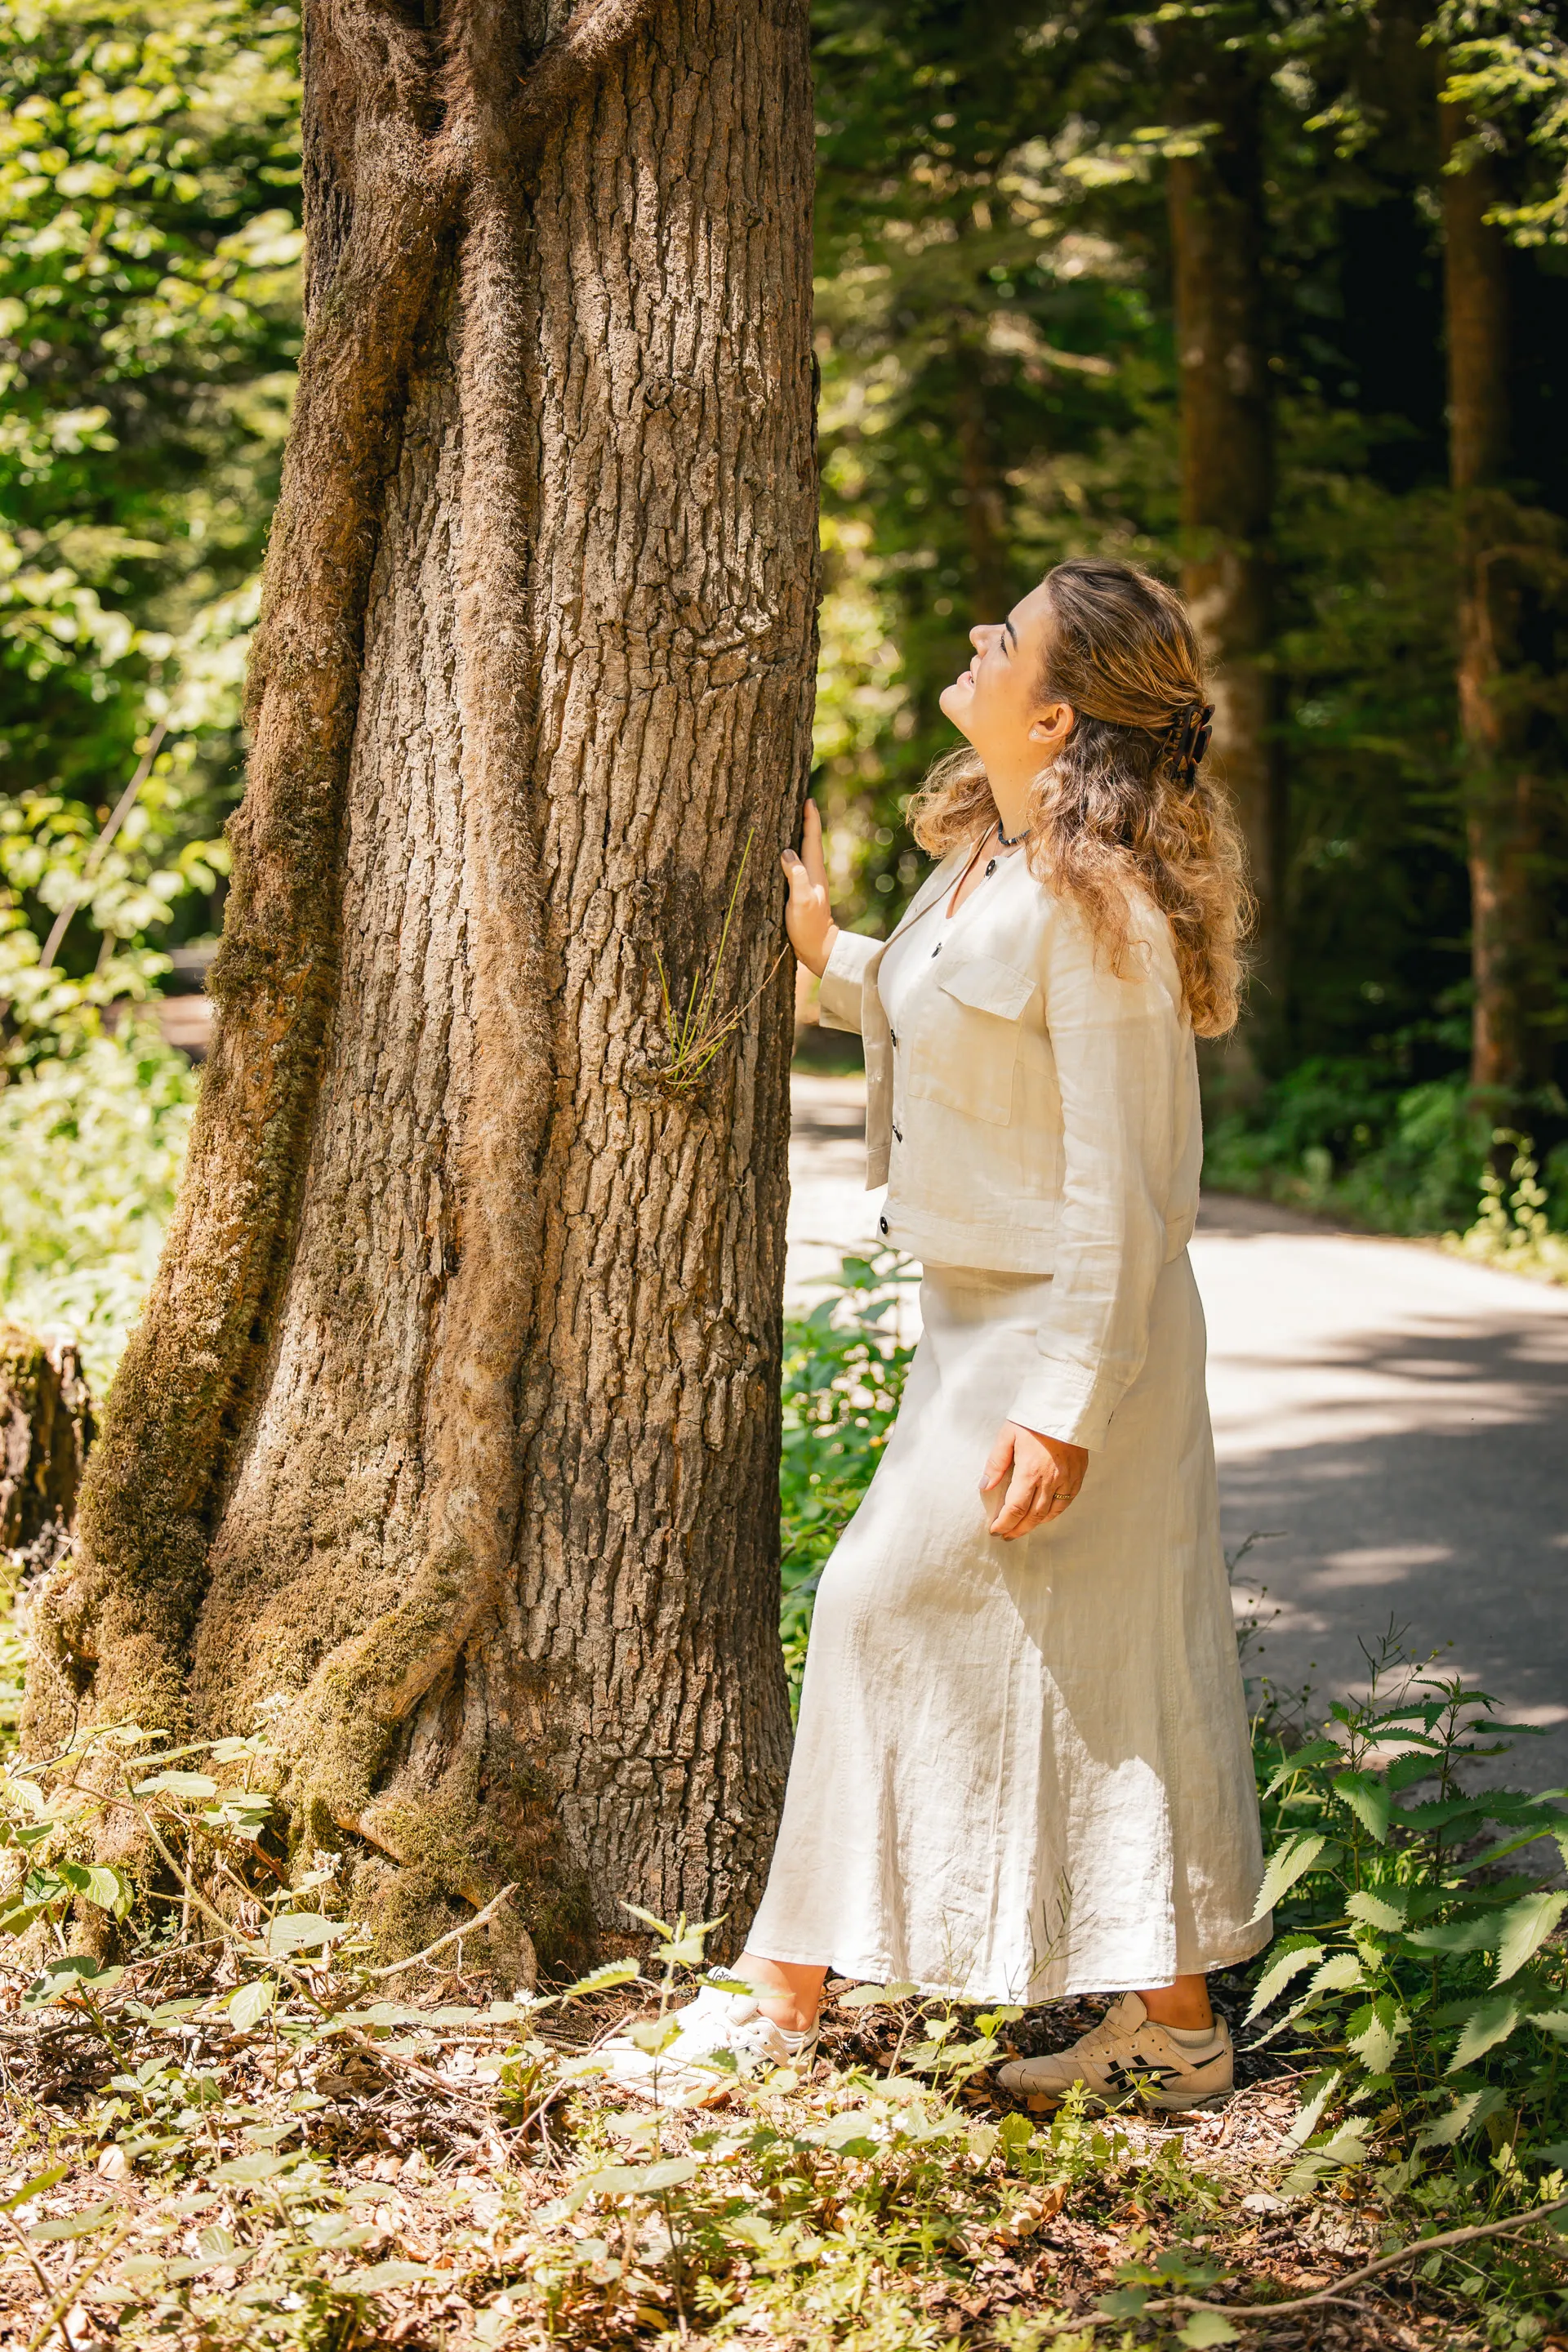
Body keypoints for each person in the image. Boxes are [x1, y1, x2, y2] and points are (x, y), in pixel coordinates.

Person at [605, 557, 1270, 2112]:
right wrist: (826, 948)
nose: (977, 639)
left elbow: (1130, 1183)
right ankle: (1174, 2032)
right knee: (1114, 1677)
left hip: (1067, 1336)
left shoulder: (1097, 904)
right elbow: (931, 1010)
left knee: (866, 1605)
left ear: (1056, 710)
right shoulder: (989, 858)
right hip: (974, 1323)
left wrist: (1067, 1402)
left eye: (1007, 637)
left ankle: (778, 1998)